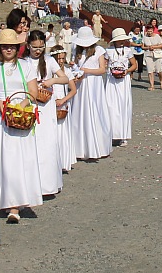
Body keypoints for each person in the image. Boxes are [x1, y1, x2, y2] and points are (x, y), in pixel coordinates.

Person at [0, 29, 43, 222]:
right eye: (5, 46)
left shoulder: (26, 66)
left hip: (20, 113)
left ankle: (15, 205)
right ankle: (1, 199)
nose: (9, 49)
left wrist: (19, 106)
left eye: (12, 46)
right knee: (1, 159)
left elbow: (33, 91)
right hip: (0, 116)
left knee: (18, 160)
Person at [26, 30, 67, 195]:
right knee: (32, 143)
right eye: (34, 47)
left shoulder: (49, 61)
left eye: (41, 47)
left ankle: (48, 184)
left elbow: (64, 78)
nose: (38, 50)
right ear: (28, 45)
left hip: (47, 105)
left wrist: (52, 80)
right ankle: (31, 183)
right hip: (31, 103)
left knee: (47, 143)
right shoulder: (24, 62)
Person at [69, 26, 111, 162]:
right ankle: (80, 147)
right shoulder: (77, 50)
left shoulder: (99, 50)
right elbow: (76, 66)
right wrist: (75, 70)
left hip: (94, 84)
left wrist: (86, 70)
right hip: (81, 84)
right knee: (81, 112)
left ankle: (98, 145)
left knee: (95, 110)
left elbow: (102, 70)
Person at [104, 28, 135, 147]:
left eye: (123, 39)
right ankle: (111, 134)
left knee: (123, 105)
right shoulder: (109, 51)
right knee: (110, 105)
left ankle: (123, 135)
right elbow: (104, 64)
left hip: (124, 80)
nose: (122, 41)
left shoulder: (127, 50)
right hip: (111, 80)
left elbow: (134, 65)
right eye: (119, 40)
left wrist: (126, 71)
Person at [50, 45, 79, 172]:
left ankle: (63, 161)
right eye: (58, 58)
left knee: (62, 134)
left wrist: (63, 100)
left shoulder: (66, 71)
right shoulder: (49, 71)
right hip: (50, 102)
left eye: (62, 58)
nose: (60, 61)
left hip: (62, 103)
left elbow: (73, 90)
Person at [142, 25, 162, 91]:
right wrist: (148, 48)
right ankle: (151, 85)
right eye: (148, 31)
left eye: (151, 31)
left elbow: (161, 45)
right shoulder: (144, 37)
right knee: (150, 70)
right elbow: (142, 47)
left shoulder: (157, 36)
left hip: (157, 54)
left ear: (153, 30)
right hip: (148, 55)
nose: (149, 33)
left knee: (159, 70)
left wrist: (154, 47)